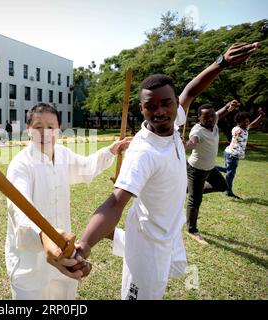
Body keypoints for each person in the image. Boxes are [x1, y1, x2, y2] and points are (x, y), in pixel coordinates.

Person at [41, 42, 259, 300]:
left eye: (166, 103)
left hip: (168, 232)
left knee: (168, 275)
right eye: (150, 106)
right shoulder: (144, 152)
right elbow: (115, 202)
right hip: (149, 248)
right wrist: (84, 245)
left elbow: (190, 91)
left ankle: (121, 236)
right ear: (142, 109)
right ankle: (124, 239)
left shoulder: (175, 119)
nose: (160, 112)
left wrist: (220, 62)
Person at [5, 103, 131, 300]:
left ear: (59, 130)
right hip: (30, 261)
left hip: (64, 253)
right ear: (28, 130)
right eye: (38, 127)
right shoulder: (20, 165)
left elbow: (86, 167)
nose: (45, 133)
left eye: (51, 127)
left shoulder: (63, 154)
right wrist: (43, 235)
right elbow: (20, 207)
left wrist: (111, 151)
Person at [184, 100, 240, 244]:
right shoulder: (197, 131)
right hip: (196, 169)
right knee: (195, 201)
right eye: (206, 117)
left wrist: (229, 107)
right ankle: (191, 229)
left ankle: (189, 189)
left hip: (210, 168)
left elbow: (220, 113)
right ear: (199, 118)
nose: (210, 118)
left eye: (211, 116)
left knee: (222, 186)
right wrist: (186, 144)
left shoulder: (213, 121)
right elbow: (192, 142)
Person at [217, 109, 265, 199]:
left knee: (228, 170)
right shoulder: (237, 129)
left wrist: (261, 116)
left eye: (247, 121)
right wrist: (236, 137)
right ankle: (228, 191)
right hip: (232, 154)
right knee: (230, 173)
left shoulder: (245, 128)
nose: (247, 123)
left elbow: (253, 124)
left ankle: (211, 167)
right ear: (239, 122)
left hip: (232, 154)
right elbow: (235, 136)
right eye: (245, 121)